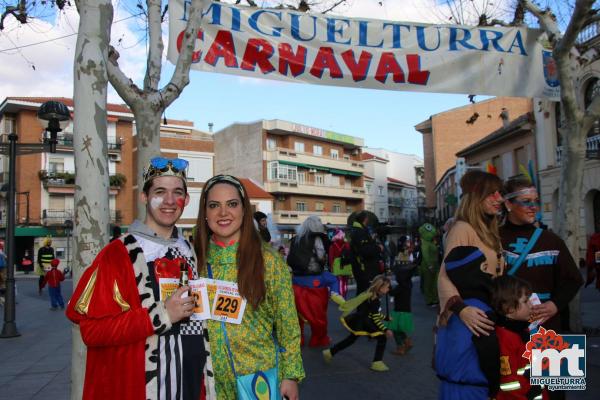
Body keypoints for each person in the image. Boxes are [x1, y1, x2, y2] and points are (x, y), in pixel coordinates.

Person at [66, 156, 216, 400]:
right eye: (160, 192)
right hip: (140, 388)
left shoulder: (190, 250)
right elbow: (91, 331)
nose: (169, 201)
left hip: (190, 385)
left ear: (186, 200)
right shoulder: (116, 254)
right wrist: (162, 315)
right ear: (144, 197)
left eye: (177, 192)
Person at [194, 174, 304, 399]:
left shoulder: (268, 262)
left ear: (244, 210)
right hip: (209, 383)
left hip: (258, 379)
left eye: (232, 204)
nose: (223, 213)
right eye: (214, 206)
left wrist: (290, 376)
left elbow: (288, 325)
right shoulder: (193, 261)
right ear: (205, 213)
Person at [501, 176, 583, 333]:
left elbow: (574, 279)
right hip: (506, 329)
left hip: (546, 329)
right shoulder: (493, 240)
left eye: (536, 201)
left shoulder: (550, 240)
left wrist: (555, 305)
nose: (534, 207)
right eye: (526, 201)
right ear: (508, 204)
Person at [438, 170, 505, 337]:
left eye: (499, 193)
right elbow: (444, 276)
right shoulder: (462, 229)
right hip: (471, 322)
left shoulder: (489, 231)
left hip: (488, 314)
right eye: (491, 193)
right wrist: (461, 310)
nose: (499, 199)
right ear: (476, 198)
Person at [435, 246, 500, 400]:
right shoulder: (480, 312)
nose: (490, 274)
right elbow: (489, 356)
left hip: (446, 389)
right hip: (473, 391)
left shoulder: (448, 311)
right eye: (485, 268)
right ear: (474, 272)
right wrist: (494, 387)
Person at [491, 275, 548, 400]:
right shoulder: (505, 338)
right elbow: (508, 384)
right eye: (526, 301)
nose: (531, 305)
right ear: (510, 308)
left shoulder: (521, 331)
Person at [322, 275, 394, 372]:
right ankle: (377, 362)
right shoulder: (375, 299)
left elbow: (374, 313)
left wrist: (385, 317)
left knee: (351, 339)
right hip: (366, 322)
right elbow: (375, 318)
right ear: (380, 287)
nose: (389, 289)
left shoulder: (369, 294)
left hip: (361, 320)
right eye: (388, 287)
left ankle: (330, 352)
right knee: (382, 338)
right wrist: (386, 329)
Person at [289, 216, 342, 347]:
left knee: (297, 316)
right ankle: (318, 338)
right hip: (314, 281)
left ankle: (298, 339)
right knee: (318, 316)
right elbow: (321, 256)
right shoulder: (316, 238)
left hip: (296, 282)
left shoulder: (296, 238)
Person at [348, 211, 383, 294]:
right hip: (364, 268)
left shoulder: (359, 230)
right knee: (364, 292)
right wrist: (378, 248)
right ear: (365, 219)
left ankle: (364, 306)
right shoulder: (359, 232)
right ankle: (365, 306)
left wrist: (372, 240)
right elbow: (365, 250)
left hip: (363, 268)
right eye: (367, 217)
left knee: (363, 292)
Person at [386, 261, 415, 355]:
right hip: (406, 310)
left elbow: (391, 293)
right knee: (400, 329)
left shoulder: (400, 287)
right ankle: (407, 341)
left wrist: (388, 285)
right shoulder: (408, 285)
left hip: (399, 311)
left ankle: (400, 347)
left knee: (395, 329)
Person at [419, 223, 440, 306]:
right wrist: (430, 265)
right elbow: (425, 255)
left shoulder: (430, 243)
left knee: (434, 283)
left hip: (435, 265)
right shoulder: (425, 243)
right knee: (428, 283)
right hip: (428, 266)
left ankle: (434, 298)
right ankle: (429, 300)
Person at [328, 229, 352, 299]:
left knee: (340, 281)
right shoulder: (346, 244)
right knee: (345, 282)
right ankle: (344, 295)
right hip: (346, 264)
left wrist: (331, 266)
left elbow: (331, 257)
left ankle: (341, 296)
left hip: (337, 265)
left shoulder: (333, 245)